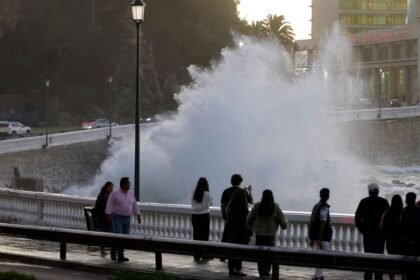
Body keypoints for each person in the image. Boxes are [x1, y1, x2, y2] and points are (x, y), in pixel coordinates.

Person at [247, 189, 288, 279]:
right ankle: (266, 272)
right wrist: (283, 224)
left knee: (260, 254)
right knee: (269, 254)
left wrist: (250, 228)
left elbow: (249, 219)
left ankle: (262, 272)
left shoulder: (257, 206)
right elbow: (283, 222)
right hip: (270, 235)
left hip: (259, 235)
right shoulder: (275, 207)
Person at [355, 183, 389, 280]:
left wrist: (362, 229)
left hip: (368, 234)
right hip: (380, 234)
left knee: (368, 256)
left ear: (369, 191)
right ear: (378, 191)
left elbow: (357, 217)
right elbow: (389, 217)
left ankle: (368, 276)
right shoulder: (384, 202)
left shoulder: (364, 202)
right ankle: (378, 277)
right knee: (379, 256)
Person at [105, 177, 141, 263]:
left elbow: (134, 204)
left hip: (127, 218)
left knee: (125, 236)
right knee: (119, 235)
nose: (129, 185)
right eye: (128, 183)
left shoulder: (130, 194)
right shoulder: (115, 193)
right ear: (123, 184)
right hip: (117, 217)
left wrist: (138, 215)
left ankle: (119, 253)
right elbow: (109, 204)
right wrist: (108, 215)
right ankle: (117, 253)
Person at [222, 189, 250, 277]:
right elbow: (247, 219)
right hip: (241, 232)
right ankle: (238, 270)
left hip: (230, 231)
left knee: (231, 251)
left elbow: (226, 214)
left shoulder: (230, 205)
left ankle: (231, 270)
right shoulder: (244, 207)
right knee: (239, 251)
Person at [308, 188, 332, 280]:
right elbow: (322, 223)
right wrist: (320, 239)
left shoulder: (316, 206)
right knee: (322, 258)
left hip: (316, 236)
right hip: (323, 237)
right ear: (328, 196)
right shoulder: (324, 207)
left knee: (319, 258)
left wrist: (312, 238)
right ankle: (318, 276)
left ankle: (318, 275)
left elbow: (311, 221)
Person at [380, 194, 403, 280]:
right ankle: (403, 278)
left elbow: (381, 226)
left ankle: (392, 279)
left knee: (391, 262)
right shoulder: (403, 212)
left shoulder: (387, 212)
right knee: (402, 263)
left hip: (390, 241)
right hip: (401, 241)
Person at [191, 177, 213, 262]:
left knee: (196, 235)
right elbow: (210, 203)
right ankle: (204, 255)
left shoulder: (194, 192)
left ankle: (196, 255)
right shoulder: (207, 193)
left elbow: (192, 203)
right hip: (204, 215)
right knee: (204, 235)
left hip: (195, 215)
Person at [95, 181, 114, 257]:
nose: (111, 189)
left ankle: (104, 250)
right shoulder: (105, 197)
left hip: (101, 219)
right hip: (105, 219)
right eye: (110, 187)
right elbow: (106, 209)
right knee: (111, 234)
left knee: (104, 235)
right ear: (106, 188)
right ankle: (112, 250)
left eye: (112, 188)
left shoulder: (101, 195)